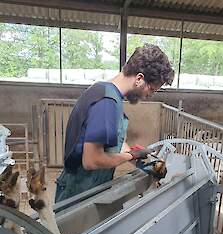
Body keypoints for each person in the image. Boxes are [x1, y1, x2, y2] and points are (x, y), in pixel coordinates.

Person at [55, 44, 174, 202]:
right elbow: (92, 160)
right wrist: (128, 156)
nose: (149, 95)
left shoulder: (105, 92)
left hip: (87, 186)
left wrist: (140, 159)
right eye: (151, 89)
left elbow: (113, 143)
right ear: (139, 79)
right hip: (79, 191)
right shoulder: (107, 103)